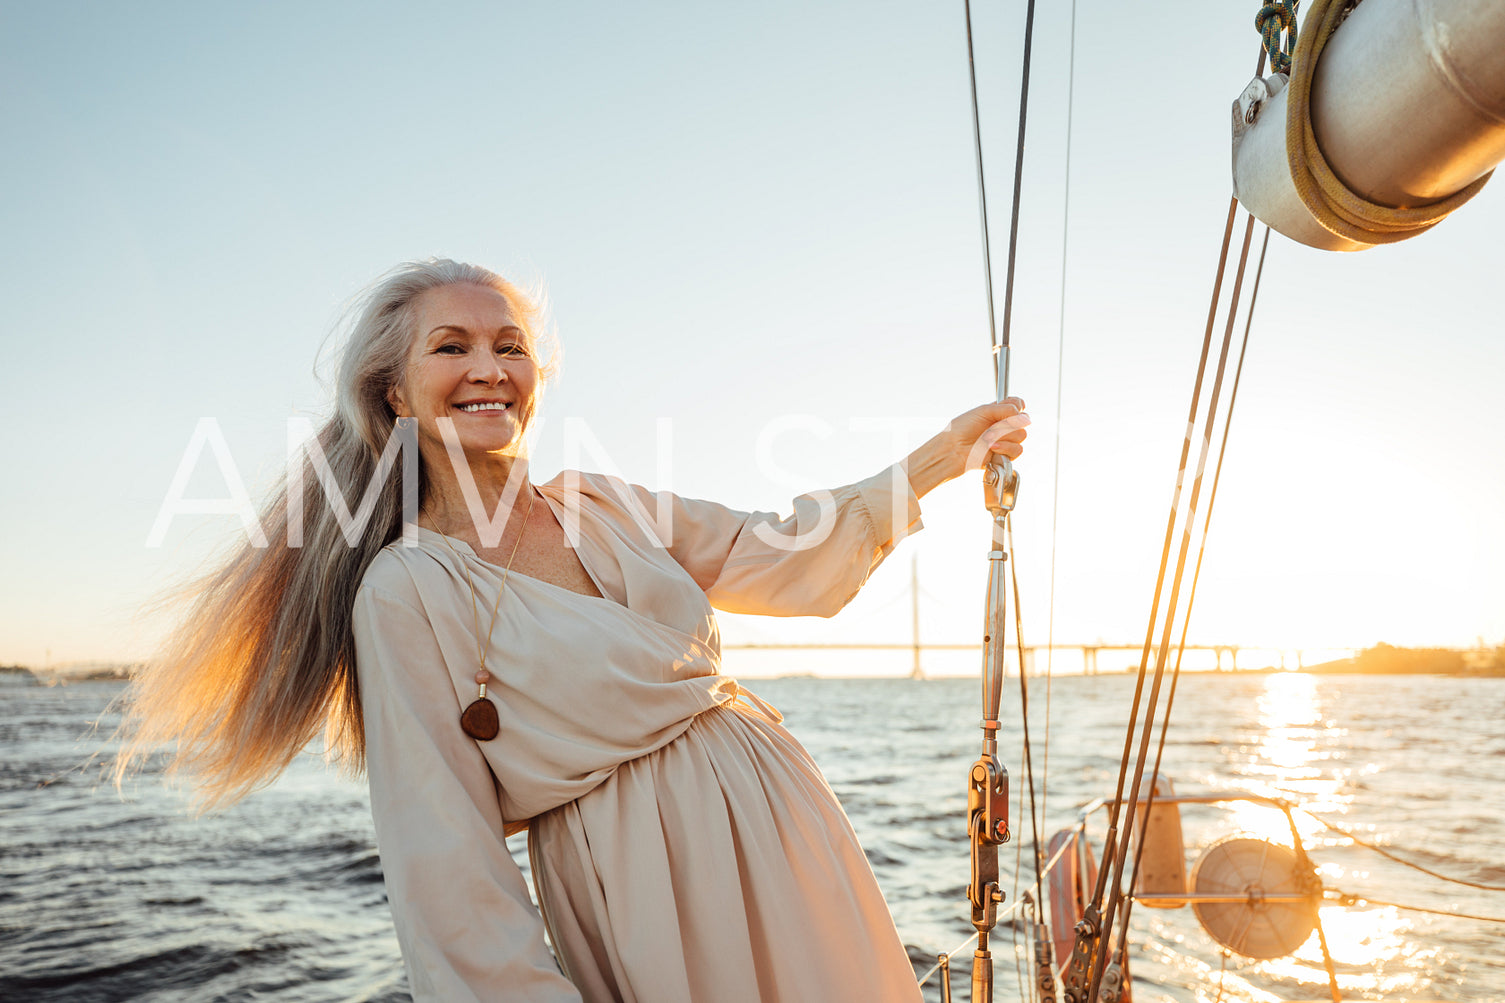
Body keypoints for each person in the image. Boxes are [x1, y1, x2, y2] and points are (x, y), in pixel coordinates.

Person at [117, 259, 1029, 1002]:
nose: (489, 366)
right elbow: (444, 850)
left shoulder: (602, 504)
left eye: (510, 346)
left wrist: (941, 457)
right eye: (452, 346)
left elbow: (782, 554)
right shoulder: (406, 586)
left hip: (788, 828)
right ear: (395, 394)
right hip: (643, 888)